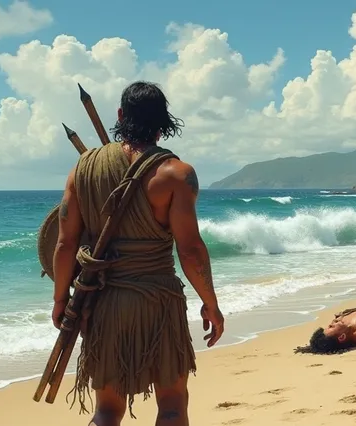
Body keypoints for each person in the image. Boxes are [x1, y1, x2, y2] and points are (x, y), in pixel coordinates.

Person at [52, 81, 224, 425]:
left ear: (120, 115)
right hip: (158, 300)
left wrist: (61, 301)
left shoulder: (82, 169)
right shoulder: (176, 174)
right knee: (173, 404)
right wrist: (211, 303)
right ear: (163, 123)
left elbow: (65, 244)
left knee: (107, 411)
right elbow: (189, 250)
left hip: (104, 302)